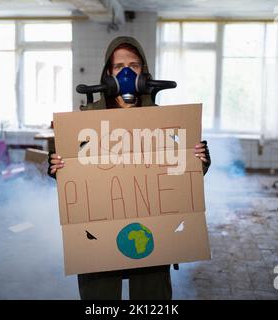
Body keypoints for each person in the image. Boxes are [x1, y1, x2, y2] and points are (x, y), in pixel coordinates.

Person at [48, 36, 211, 300]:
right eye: (119, 66)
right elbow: (74, 184)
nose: (126, 72)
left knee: (151, 294)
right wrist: (57, 166)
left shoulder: (165, 121)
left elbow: (182, 179)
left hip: (150, 230)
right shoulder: (84, 121)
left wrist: (198, 159)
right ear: (108, 74)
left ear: (144, 72)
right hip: (98, 230)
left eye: (134, 65)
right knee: (99, 298)